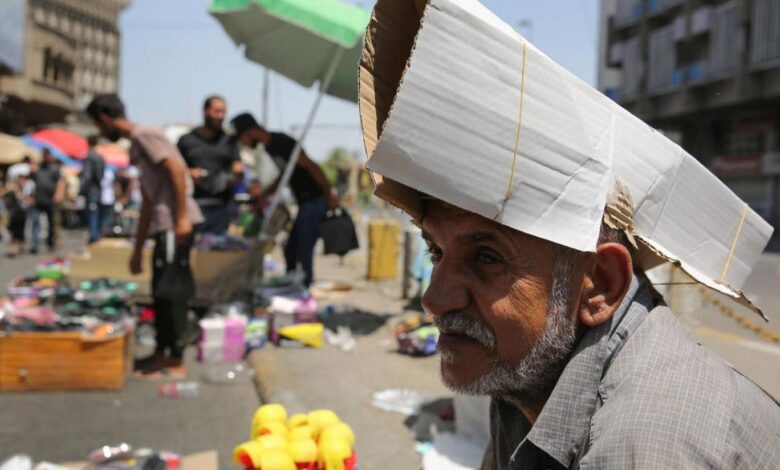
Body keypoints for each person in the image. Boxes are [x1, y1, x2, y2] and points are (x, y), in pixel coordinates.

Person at [360, 1, 779, 468]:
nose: (434, 300)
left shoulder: (644, 445)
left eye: (487, 258)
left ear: (599, 284)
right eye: (436, 252)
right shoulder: (523, 375)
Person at [86, 94, 203, 378]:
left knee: (172, 290)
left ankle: (175, 358)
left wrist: (181, 219)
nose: (101, 131)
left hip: (175, 222)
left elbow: (176, 170)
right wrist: (138, 249)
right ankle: (162, 352)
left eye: (99, 125)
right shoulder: (137, 144)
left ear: (105, 118)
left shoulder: (144, 134)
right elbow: (149, 201)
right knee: (160, 290)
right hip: (164, 224)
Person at [231, 112, 338, 287]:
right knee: (291, 249)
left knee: (303, 248)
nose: (243, 143)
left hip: (314, 200)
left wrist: (329, 194)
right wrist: (264, 196)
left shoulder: (281, 142)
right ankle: (292, 284)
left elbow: (311, 166)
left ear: (250, 132)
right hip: (305, 203)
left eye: (242, 139)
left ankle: (303, 288)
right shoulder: (270, 147)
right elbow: (285, 175)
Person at [177, 96, 243, 235]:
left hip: (221, 208)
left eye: (223, 112)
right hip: (192, 206)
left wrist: (233, 178)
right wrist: (189, 174)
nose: (221, 116)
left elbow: (238, 169)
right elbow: (174, 170)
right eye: (217, 111)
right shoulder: (186, 140)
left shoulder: (229, 141)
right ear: (205, 111)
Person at [30, 148, 65, 253]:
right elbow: (30, 180)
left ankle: (50, 243)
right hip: (38, 199)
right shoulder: (38, 168)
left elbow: (60, 182)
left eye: (47, 155)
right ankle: (35, 244)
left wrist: (58, 194)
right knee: (36, 221)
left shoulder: (54, 169)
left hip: (50, 199)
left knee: (51, 222)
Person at [80, 135, 106, 243]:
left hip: (91, 190)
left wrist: (81, 190)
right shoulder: (100, 157)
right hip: (98, 189)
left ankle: (94, 236)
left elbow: (87, 176)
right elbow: (101, 175)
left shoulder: (90, 157)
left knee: (92, 213)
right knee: (97, 212)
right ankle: (97, 234)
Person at [2, 174, 33, 257]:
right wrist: (8, 189)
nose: (20, 182)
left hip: (23, 214)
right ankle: (13, 249)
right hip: (14, 214)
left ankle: (21, 247)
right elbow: (2, 194)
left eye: (22, 181)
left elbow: (31, 201)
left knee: (22, 232)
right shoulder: (13, 189)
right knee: (13, 232)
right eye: (19, 180)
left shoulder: (27, 190)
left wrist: (23, 197)